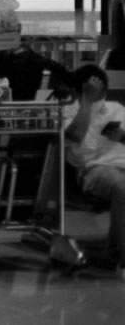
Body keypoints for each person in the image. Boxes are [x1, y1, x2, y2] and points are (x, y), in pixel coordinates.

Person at [63, 64, 125, 280]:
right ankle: (120, 257)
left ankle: (115, 248)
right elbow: (75, 137)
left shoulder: (118, 109)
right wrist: (87, 102)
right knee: (122, 187)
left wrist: (122, 137)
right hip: (94, 169)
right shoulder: (70, 110)